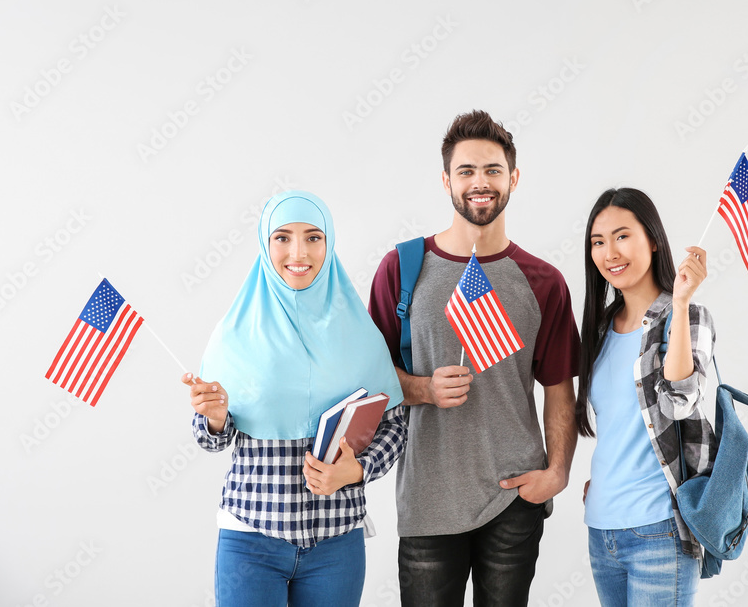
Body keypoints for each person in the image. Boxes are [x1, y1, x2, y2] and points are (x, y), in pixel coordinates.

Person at [367, 110, 580, 606]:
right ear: (446, 181)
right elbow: (367, 381)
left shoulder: (543, 281)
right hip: (427, 501)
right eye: (466, 171)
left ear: (513, 179)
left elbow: (558, 391)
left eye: (491, 170)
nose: (479, 183)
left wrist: (558, 471)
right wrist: (423, 389)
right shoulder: (401, 267)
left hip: (513, 498)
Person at [184, 189, 406, 607]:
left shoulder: (360, 332)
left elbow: (395, 426)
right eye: (282, 237)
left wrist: (358, 470)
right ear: (265, 245)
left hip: (336, 542)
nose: (298, 251)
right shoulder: (235, 331)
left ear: (330, 243)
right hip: (251, 538)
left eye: (313, 237)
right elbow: (210, 439)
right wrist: (214, 417)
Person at [576, 187, 717, 606]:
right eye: (598, 242)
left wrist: (679, 300)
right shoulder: (600, 329)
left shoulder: (689, 316)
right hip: (603, 530)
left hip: (659, 529)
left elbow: (679, 400)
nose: (609, 253)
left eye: (622, 236)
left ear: (652, 240)